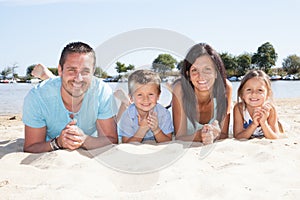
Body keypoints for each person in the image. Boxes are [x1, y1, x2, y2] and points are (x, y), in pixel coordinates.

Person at [23, 41, 118, 153]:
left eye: (85, 71)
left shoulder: (102, 92)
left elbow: (111, 140)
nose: (79, 78)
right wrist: (58, 143)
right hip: (51, 97)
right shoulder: (37, 97)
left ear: (93, 73)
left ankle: (48, 76)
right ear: (60, 70)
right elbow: (31, 147)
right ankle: (49, 78)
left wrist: (84, 140)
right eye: (71, 70)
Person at [172, 43, 231, 145]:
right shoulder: (180, 90)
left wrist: (215, 134)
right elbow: (179, 137)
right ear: (188, 75)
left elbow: (224, 134)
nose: (201, 76)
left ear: (216, 72)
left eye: (207, 69)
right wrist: (200, 135)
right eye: (194, 70)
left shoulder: (225, 88)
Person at [118, 69, 173, 143]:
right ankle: (124, 102)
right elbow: (126, 143)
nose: (145, 99)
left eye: (150, 94)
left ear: (158, 96)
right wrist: (142, 129)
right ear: (131, 97)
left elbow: (167, 141)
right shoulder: (127, 115)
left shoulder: (164, 114)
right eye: (140, 95)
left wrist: (156, 129)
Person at [233, 70, 282, 139]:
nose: (254, 93)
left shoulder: (270, 109)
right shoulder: (239, 108)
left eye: (260, 90)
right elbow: (238, 136)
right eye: (249, 89)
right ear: (241, 94)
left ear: (268, 94)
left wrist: (263, 123)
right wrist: (254, 124)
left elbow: (275, 137)